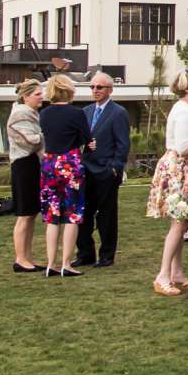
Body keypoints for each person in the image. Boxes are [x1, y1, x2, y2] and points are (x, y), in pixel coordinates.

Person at [147, 70, 188, 296]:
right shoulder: (184, 112)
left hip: (182, 166)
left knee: (182, 222)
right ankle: (163, 275)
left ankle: (177, 272)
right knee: (179, 222)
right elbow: (183, 146)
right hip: (179, 167)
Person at [36, 75, 91, 278]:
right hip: (70, 163)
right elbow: (87, 138)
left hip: (50, 163)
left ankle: (51, 263)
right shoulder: (76, 113)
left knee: (52, 216)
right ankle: (66, 263)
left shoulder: (45, 113)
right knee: (72, 214)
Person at [75, 71, 130, 270]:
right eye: (92, 87)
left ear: (110, 89)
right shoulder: (86, 112)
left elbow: (123, 144)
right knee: (84, 215)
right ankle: (85, 253)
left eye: (100, 87)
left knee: (107, 216)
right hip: (85, 171)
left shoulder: (118, 112)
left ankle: (106, 255)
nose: (95, 90)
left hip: (106, 172)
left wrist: (114, 168)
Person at [6, 79, 45, 273]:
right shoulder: (20, 114)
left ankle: (27, 256)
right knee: (24, 214)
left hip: (31, 165)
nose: (42, 97)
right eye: (38, 94)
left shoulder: (30, 114)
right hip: (24, 166)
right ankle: (20, 258)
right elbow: (29, 142)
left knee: (31, 214)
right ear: (26, 96)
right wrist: (48, 134)